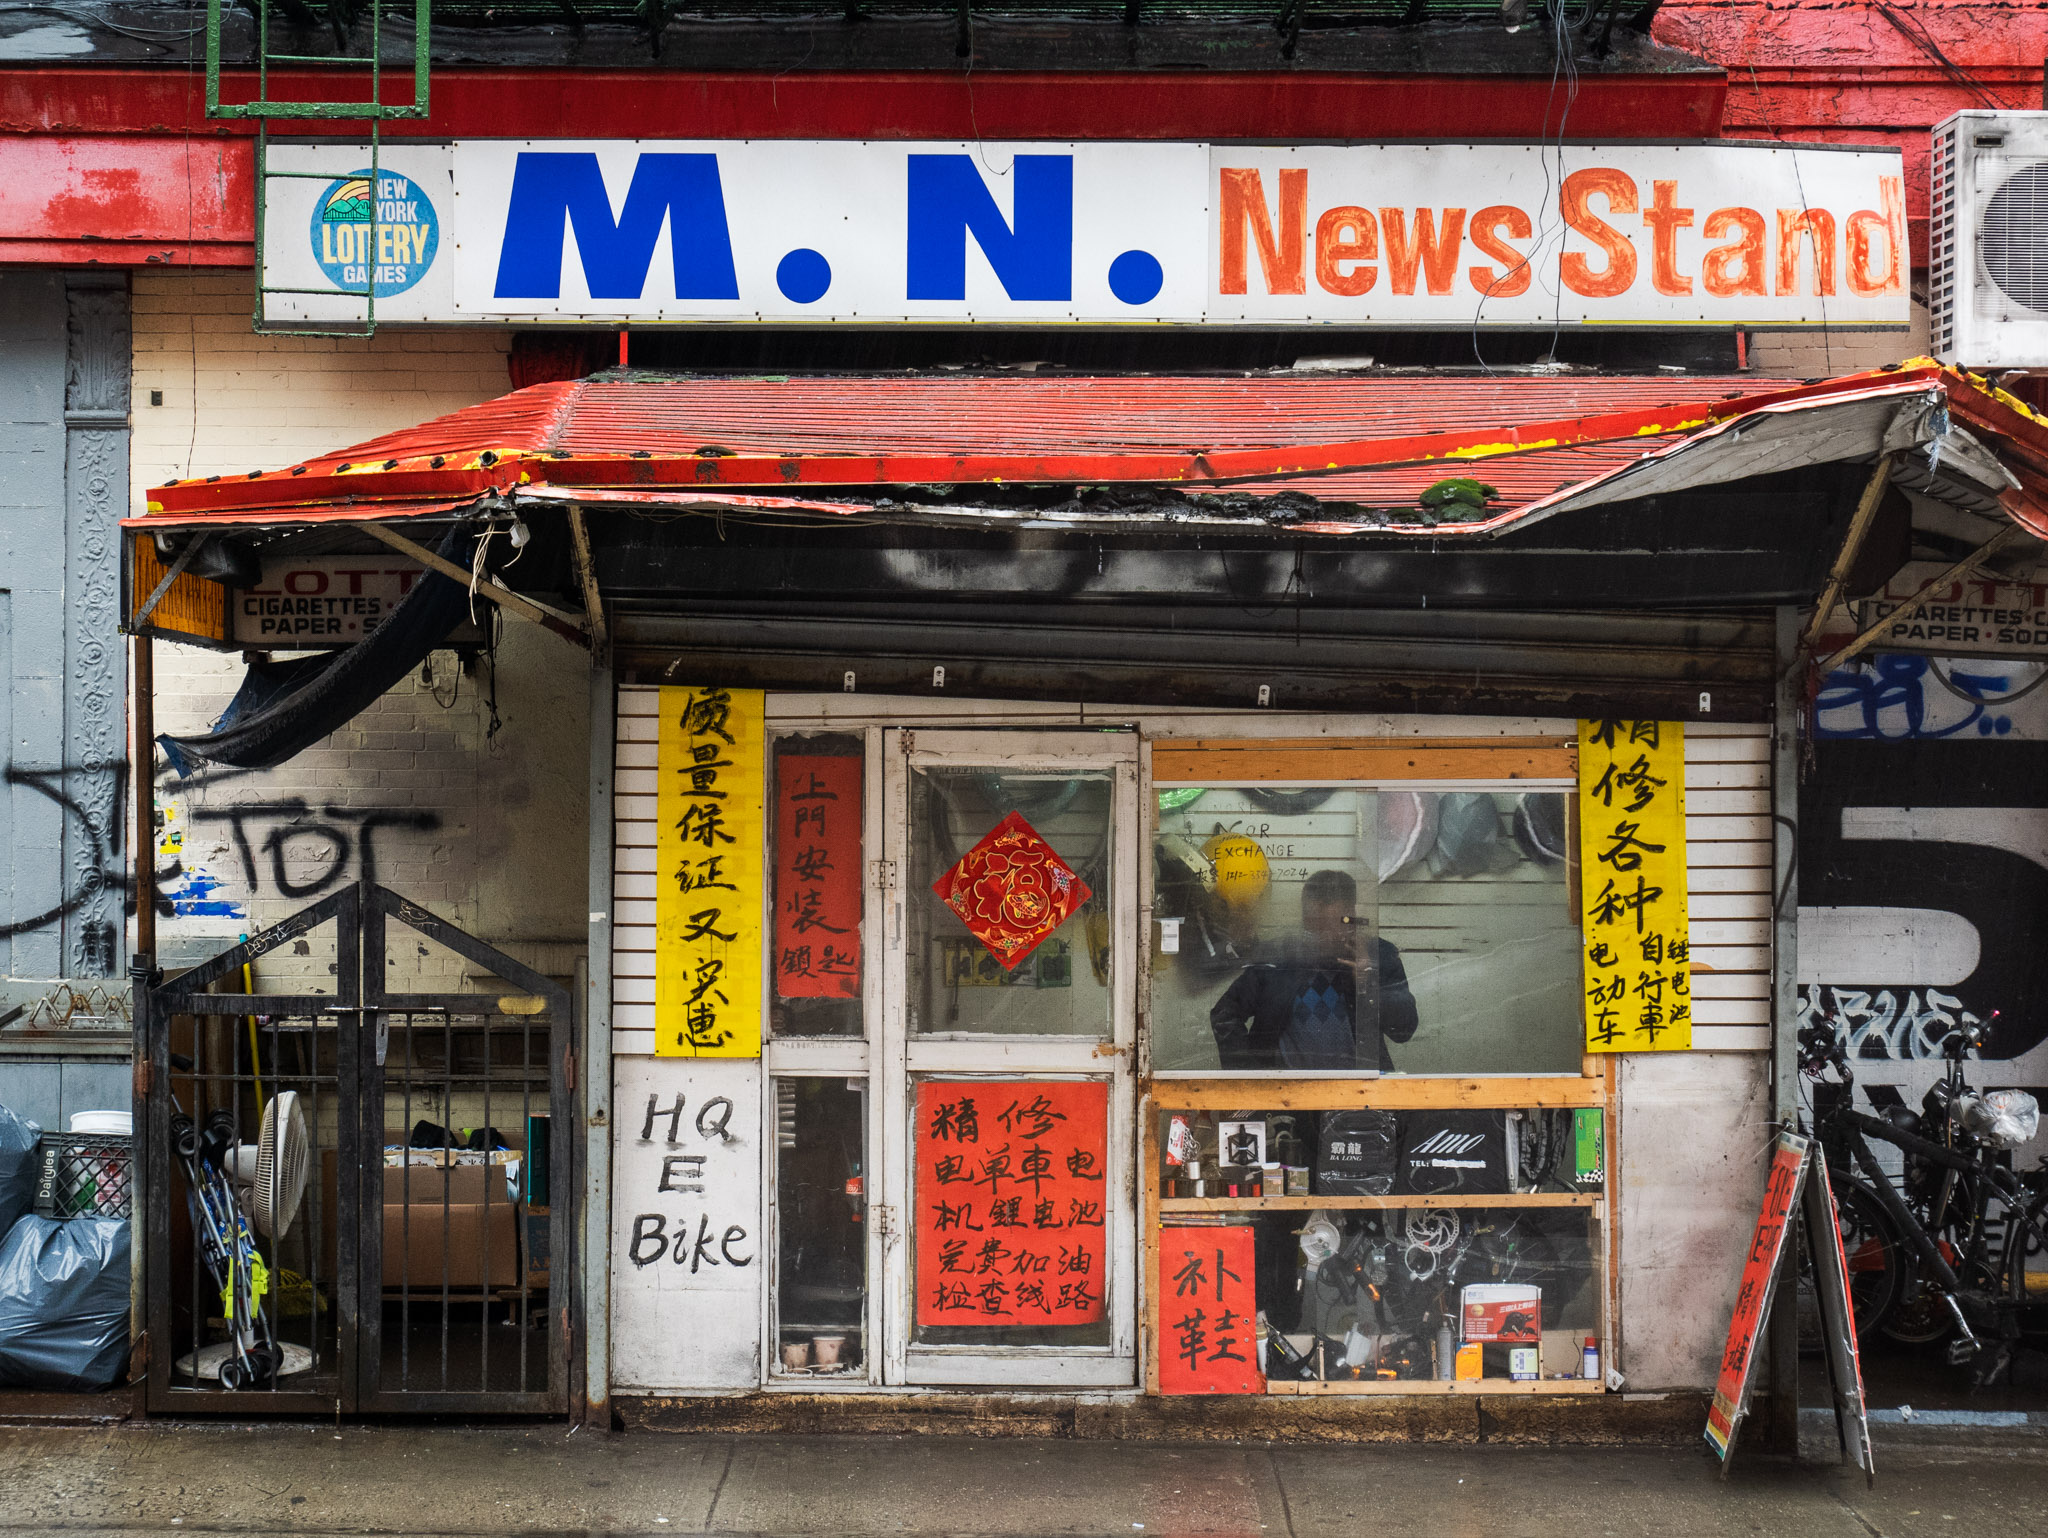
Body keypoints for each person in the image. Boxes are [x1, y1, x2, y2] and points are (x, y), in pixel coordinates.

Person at [1206, 868, 1418, 1071]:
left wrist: (1368, 981)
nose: (1317, 935)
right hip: (1287, 1101)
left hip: (1359, 1097)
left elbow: (1404, 1030)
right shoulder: (1279, 957)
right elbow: (1225, 1015)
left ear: (1351, 918)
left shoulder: (1378, 955)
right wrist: (1251, 1077)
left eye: (1327, 926)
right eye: (1311, 926)